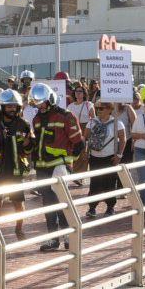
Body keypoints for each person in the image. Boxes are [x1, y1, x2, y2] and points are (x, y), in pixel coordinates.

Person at [30, 84, 83, 251]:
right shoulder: (36, 119)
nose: (39, 106)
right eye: (36, 103)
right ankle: (53, 239)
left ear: (50, 100)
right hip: (41, 167)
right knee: (48, 203)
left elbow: (79, 144)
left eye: (42, 103)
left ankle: (69, 237)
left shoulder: (66, 116)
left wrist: (68, 163)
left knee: (62, 202)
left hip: (59, 167)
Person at [0, 88, 33, 238]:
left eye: (14, 106)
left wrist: (29, 143)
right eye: (9, 106)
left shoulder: (24, 124)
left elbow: (28, 151)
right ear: (2, 106)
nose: (12, 109)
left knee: (18, 201)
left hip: (16, 170)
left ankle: (19, 229)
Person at [83, 101, 127, 219]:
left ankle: (110, 207)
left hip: (110, 158)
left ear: (109, 109)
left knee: (110, 183)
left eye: (101, 108)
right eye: (97, 108)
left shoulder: (117, 123)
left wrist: (119, 155)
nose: (98, 110)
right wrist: (86, 153)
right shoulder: (91, 122)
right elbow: (85, 137)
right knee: (95, 183)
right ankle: (92, 207)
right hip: (94, 157)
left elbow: (123, 139)